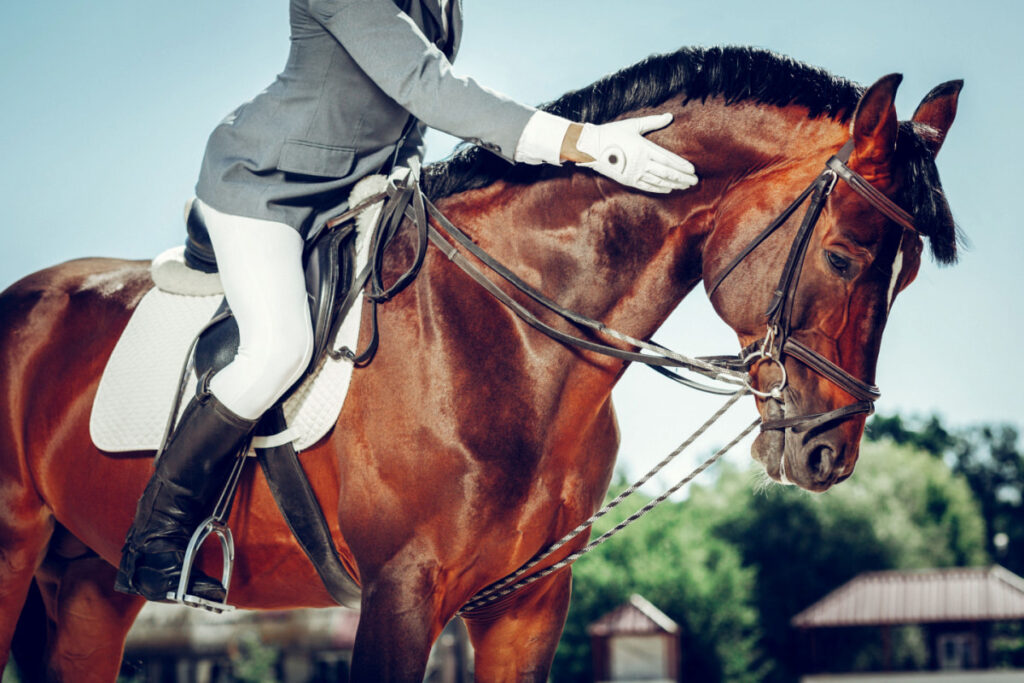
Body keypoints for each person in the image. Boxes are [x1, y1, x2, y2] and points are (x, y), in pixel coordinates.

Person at [115, 0, 698, 604]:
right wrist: (581, 143)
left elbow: (406, 114)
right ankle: (156, 536)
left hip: (353, 190)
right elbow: (424, 82)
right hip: (267, 184)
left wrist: (411, 170)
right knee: (277, 349)